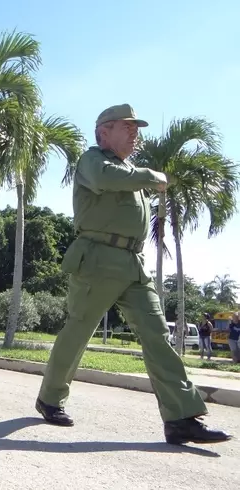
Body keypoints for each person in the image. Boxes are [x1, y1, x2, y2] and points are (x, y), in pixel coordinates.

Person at [35, 104, 231, 445]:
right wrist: (151, 176)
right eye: (126, 126)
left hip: (133, 263)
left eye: (135, 127)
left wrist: (143, 176)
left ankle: (182, 417)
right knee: (78, 332)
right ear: (103, 132)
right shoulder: (93, 161)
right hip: (97, 258)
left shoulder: (129, 168)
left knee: (158, 336)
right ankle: (50, 398)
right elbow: (106, 180)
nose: (134, 132)